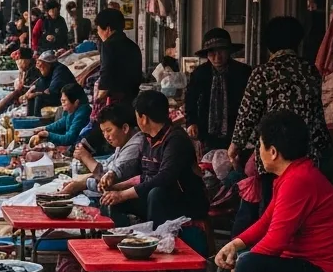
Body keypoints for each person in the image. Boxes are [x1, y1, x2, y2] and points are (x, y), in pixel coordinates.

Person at [215, 110, 333, 272]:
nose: (258, 151)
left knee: (248, 267)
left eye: (260, 146)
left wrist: (244, 260)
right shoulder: (290, 176)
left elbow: (275, 242)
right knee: (232, 265)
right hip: (304, 265)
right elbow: (266, 221)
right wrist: (235, 245)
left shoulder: (299, 180)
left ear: (273, 152)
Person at [230, 16, 333, 171]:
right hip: (308, 155)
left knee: (275, 194)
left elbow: (247, 114)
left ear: (269, 44)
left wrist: (235, 145)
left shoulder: (263, 73)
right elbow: (318, 114)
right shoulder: (310, 70)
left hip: (274, 156)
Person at [100, 90, 208, 227]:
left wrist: (122, 195)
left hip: (186, 202)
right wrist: (116, 187)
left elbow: (164, 178)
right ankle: (123, 240)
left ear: (143, 118)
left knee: (156, 193)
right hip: (156, 199)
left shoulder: (176, 139)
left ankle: (154, 241)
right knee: (109, 200)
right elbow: (143, 175)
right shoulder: (147, 138)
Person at [185, 28, 251, 151]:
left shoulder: (244, 72)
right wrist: (191, 122)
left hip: (237, 133)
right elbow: (191, 99)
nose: (217, 57)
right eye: (212, 53)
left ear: (229, 51)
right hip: (206, 132)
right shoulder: (200, 73)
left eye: (221, 51)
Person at [63, 103, 145, 198]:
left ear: (125, 128)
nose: (106, 136)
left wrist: (86, 158)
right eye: (103, 132)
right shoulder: (123, 142)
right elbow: (108, 166)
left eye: (109, 130)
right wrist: (80, 181)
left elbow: (108, 179)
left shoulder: (135, 145)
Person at [93, 8, 144, 105]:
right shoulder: (133, 45)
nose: (98, 33)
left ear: (107, 29)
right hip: (132, 98)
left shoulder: (108, 45)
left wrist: (99, 98)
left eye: (98, 29)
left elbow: (106, 72)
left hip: (115, 101)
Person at [35, 83, 91, 147]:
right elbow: (62, 121)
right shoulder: (72, 110)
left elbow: (69, 139)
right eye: (61, 100)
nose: (62, 103)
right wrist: (45, 128)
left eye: (64, 101)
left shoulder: (82, 114)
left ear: (76, 102)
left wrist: (48, 134)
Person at [0, 47, 36, 120]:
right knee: (12, 94)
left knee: (15, 93)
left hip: (32, 94)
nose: (18, 63)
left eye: (19, 60)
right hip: (26, 93)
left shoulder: (32, 69)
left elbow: (24, 87)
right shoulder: (26, 68)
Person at [24, 50, 73, 115]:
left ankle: (38, 120)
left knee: (39, 97)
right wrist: (30, 92)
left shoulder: (60, 71)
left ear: (48, 64)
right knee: (32, 97)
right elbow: (40, 84)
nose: (40, 68)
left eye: (42, 65)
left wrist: (36, 93)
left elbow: (52, 91)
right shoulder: (49, 71)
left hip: (66, 98)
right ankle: (30, 119)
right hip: (56, 95)